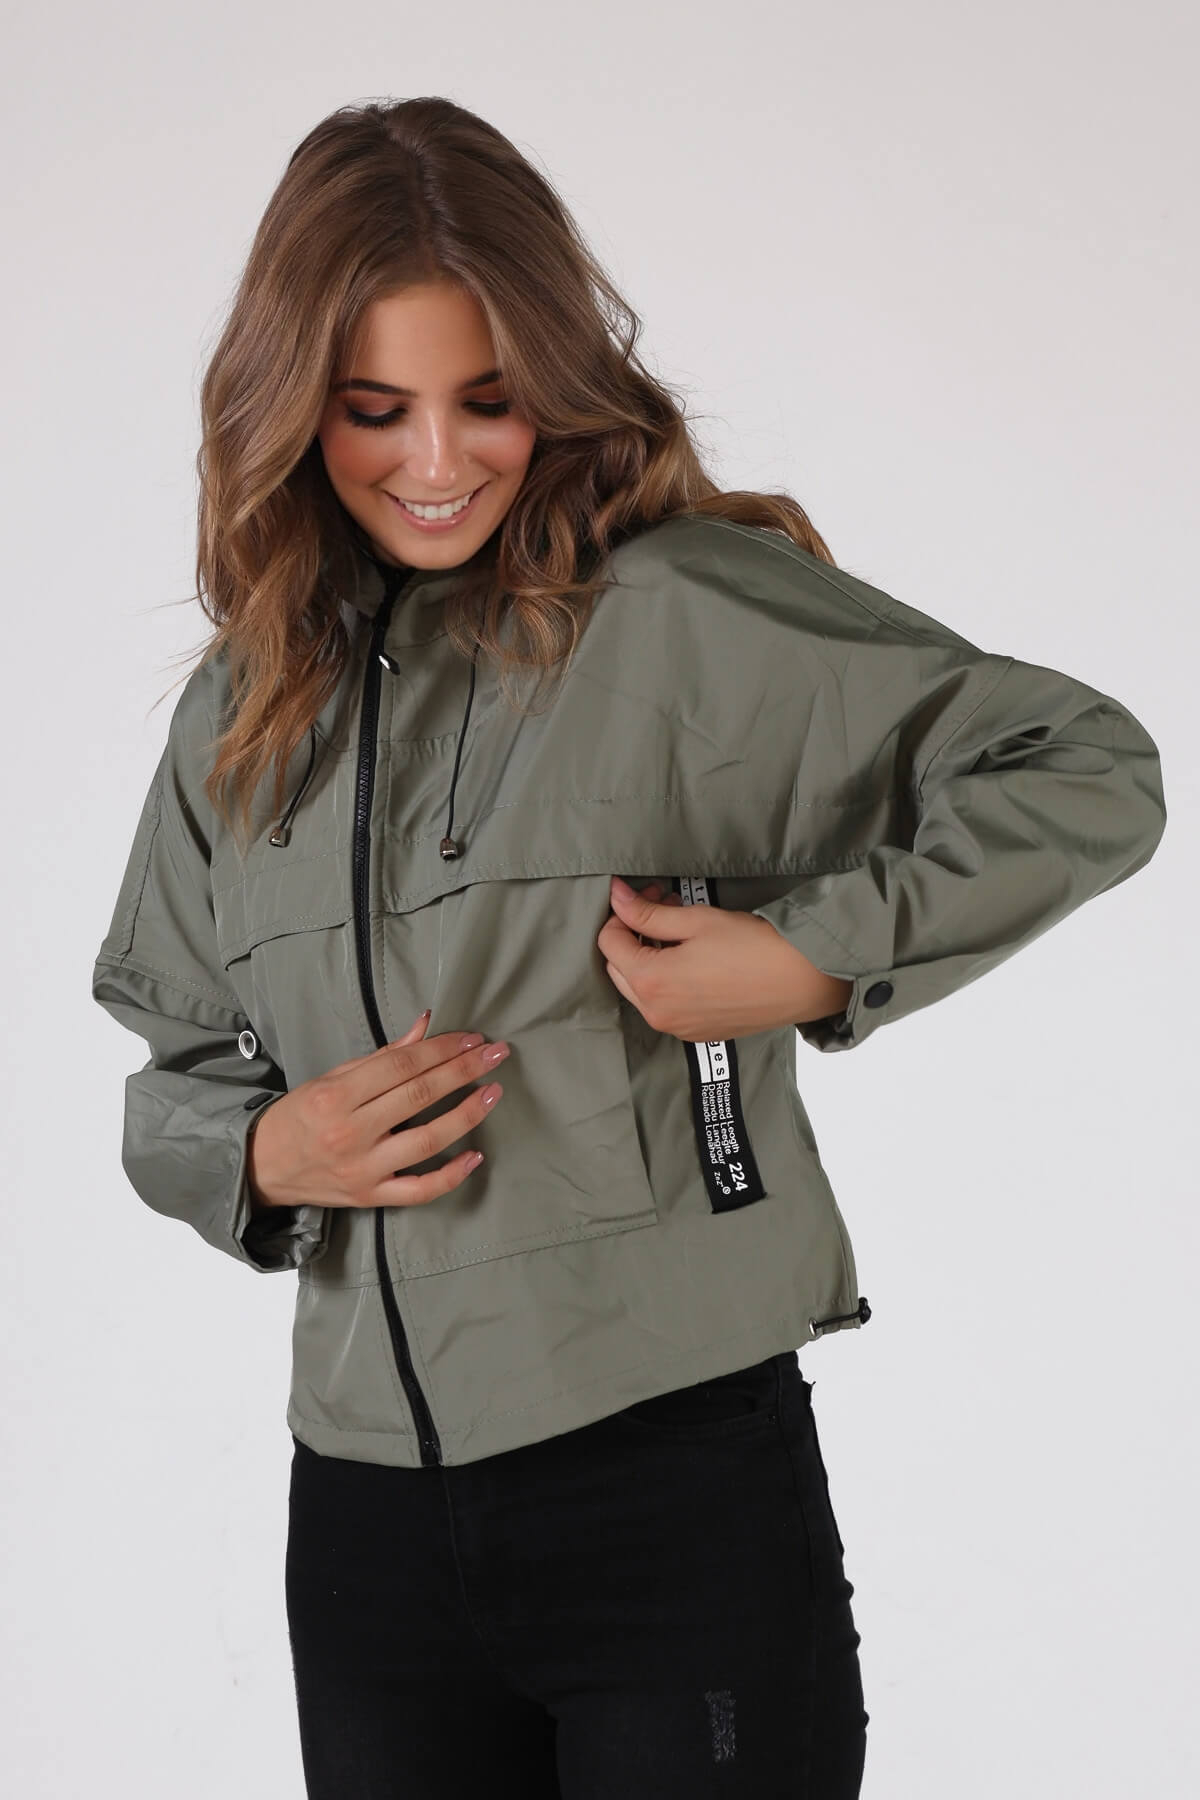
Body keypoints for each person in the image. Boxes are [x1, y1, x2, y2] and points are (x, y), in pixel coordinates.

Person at [90, 96, 1167, 1800]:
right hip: (365, 1535)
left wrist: (813, 959)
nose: (435, 460)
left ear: (556, 383)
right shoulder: (246, 710)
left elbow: (1083, 767)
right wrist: (263, 1155)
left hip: (666, 1490)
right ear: (293, 408)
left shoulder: (672, 614)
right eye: (374, 410)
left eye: (487, 400)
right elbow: (170, 1063)